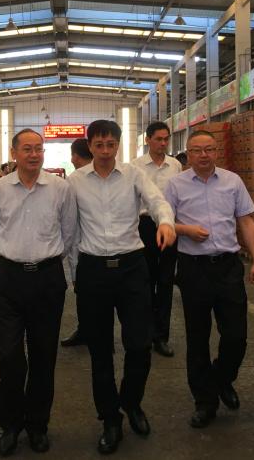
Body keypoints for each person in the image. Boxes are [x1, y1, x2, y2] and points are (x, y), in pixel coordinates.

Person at [68, 119, 176, 454]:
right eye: (98, 145)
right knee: (100, 350)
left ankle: (132, 402)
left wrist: (166, 223)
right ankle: (110, 418)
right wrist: (74, 274)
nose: (105, 151)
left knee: (140, 344)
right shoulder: (74, 181)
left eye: (110, 144)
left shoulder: (133, 175)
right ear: (89, 145)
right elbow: (69, 229)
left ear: (118, 145)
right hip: (93, 270)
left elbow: (157, 201)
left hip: (131, 268)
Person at [163, 130, 254, 429]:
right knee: (197, 337)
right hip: (193, 269)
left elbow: (245, 220)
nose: (203, 155)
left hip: (228, 267)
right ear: (188, 154)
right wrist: (186, 230)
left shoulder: (232, 181)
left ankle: (221, 378)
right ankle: (204, 402)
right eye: (197, 150)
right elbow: (164, 221)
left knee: (236, 335)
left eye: (209, 149)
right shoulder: (175, 184)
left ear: (216, 151)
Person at [0, 129, 77, 456]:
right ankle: (11, 425)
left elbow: (69, 233)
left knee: (43, 355)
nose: (34, 154)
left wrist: (45, 260)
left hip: (47, 279)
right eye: (27, 149)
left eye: (39, 149)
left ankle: (38, 425)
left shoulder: (60, 189)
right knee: (10, 355)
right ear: (14, 153)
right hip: (9, 279)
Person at [130, 121, 182, 358]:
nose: (163, 143)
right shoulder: (135, 166)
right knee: (145, 280)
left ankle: (161, 336)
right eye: (158, 139)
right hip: (144, 227)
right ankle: (146, 332)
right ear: (148, 140)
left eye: (166, 139)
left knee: (165, 280)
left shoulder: (175, 165)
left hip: (169, 227)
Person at [61, 137, 93, 348]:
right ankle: (86, 330)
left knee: (86, 292)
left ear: (75, 156)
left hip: (85, 247)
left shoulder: (73, 181)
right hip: (84, 245)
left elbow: (68, 221)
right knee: (85, 292)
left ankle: (90, 332)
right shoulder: (75, 180)